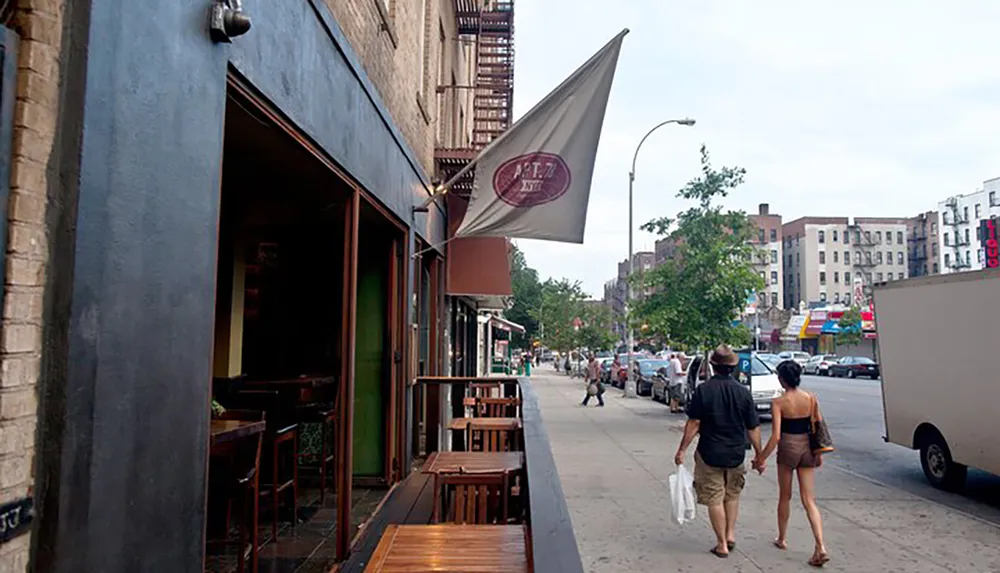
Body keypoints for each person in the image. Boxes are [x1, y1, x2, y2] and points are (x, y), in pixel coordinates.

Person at [674, 344, 764, 559]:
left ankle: (722, 543)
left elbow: (694, 423)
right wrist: (759, 455)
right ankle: (730, 534)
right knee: (732, 494)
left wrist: (682, 450)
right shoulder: (743, 393)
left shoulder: (704, 391)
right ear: (733, 368)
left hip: (709, 452)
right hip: (736, 453)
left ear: (712, 366)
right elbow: (753, 428)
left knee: (714, 497)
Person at [756, 360, 830, 567]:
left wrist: (761, 457)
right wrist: (819, 453)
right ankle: (820, 545)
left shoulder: (778, 402)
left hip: (788, 448)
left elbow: (776, 436)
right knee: (809, 499)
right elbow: (818, 428)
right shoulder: (810, 398)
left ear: (781, 378)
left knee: (785, 496)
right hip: (807, 448)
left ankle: (782, 537)